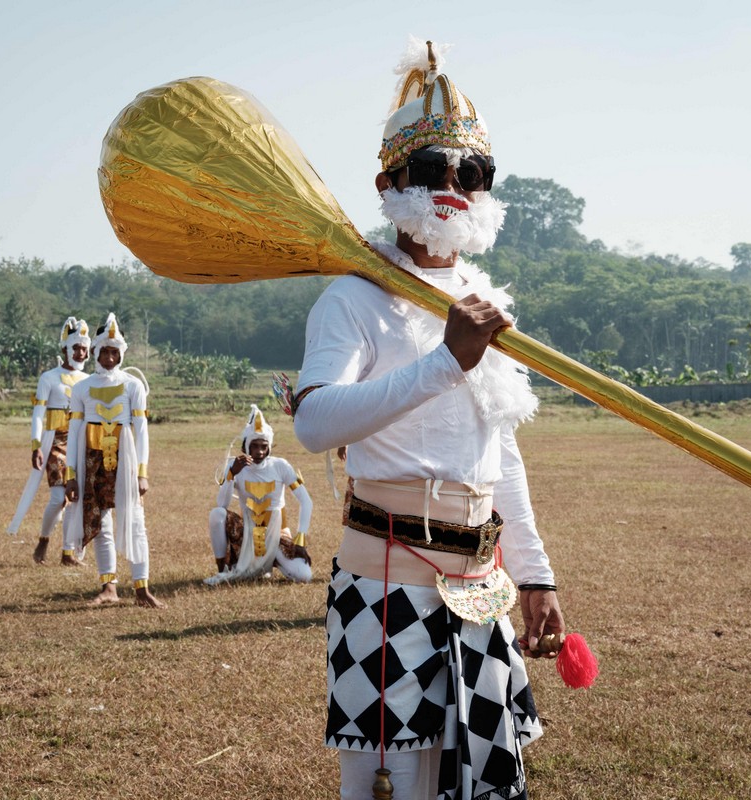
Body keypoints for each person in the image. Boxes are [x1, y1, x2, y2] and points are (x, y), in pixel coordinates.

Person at [292, 39, 563, 799]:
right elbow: (315, 426)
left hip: (483, 581)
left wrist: (536, 574)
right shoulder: (352, 298)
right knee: (393, 784)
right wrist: (447, 360)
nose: (452, 187)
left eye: (470, 174)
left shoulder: (484, 298)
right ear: (388, 183)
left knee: (480, 776)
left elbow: (500, 451)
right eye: (429, 171)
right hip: (386, 581)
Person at [64, 313, 164, 608]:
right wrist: (71, 473)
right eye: (104, 351)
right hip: (92, 460)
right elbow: (73, 433)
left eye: (114, 351)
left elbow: (142, 431)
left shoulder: (133, 386)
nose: (109, 357)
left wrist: (142, 473)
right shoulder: (81, 388)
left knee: (134, 521)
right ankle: (108, 587)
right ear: (95, 352)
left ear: (121, 353)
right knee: (100, 522)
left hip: (126, 460)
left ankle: (141, 588)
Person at [6, 317, 91, 566]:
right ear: (65, 348)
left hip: (80, 442)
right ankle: (44, 538)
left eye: (84, 349)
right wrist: (35, 445)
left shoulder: (88, 380)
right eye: (76, 348)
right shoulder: (49, 378)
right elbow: (38, 414)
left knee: (75, 498)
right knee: (58, 498)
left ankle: (67, 553)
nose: (81, 353)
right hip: (54, 442)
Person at [205, 405, 312, 585]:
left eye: (264, 446)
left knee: (303, 575)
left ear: (269, 447)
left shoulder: (281, 466)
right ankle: (224, 569)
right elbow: (221, 504)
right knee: (216, 514)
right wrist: (232, 474)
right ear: (245, 446)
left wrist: (300, 540)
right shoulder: (234, 466)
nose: (259, 452)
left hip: (277, 534)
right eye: (254, 446)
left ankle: (268, 562)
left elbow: (306, 501)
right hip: (247, 533)